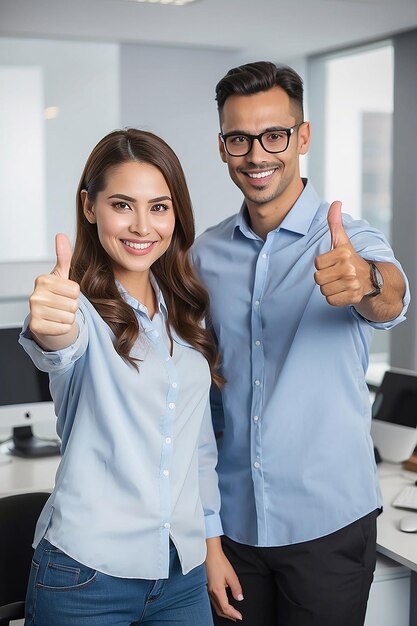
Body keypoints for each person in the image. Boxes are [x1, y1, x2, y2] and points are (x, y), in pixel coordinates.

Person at [192, 61, 410, 626]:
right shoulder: (203, 256)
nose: (257, 154)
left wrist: (367, 281)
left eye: (275, 135)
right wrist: (209, 531)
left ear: (302, 136)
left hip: (328, 526)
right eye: (239, 138)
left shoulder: (348, 239)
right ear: (223, 147)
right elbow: (201, 396)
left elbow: (391, 299)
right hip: (235, 528)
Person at [19, 128, 226, 626]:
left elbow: (197, 450)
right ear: (89, 207)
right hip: (86, 576)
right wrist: (49, 326)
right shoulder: (78, 310)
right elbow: (57, 347)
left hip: (182, 573)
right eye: (121, 204)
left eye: (159, 206)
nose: (141, 225)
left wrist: (212, 548)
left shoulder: (185, 311)